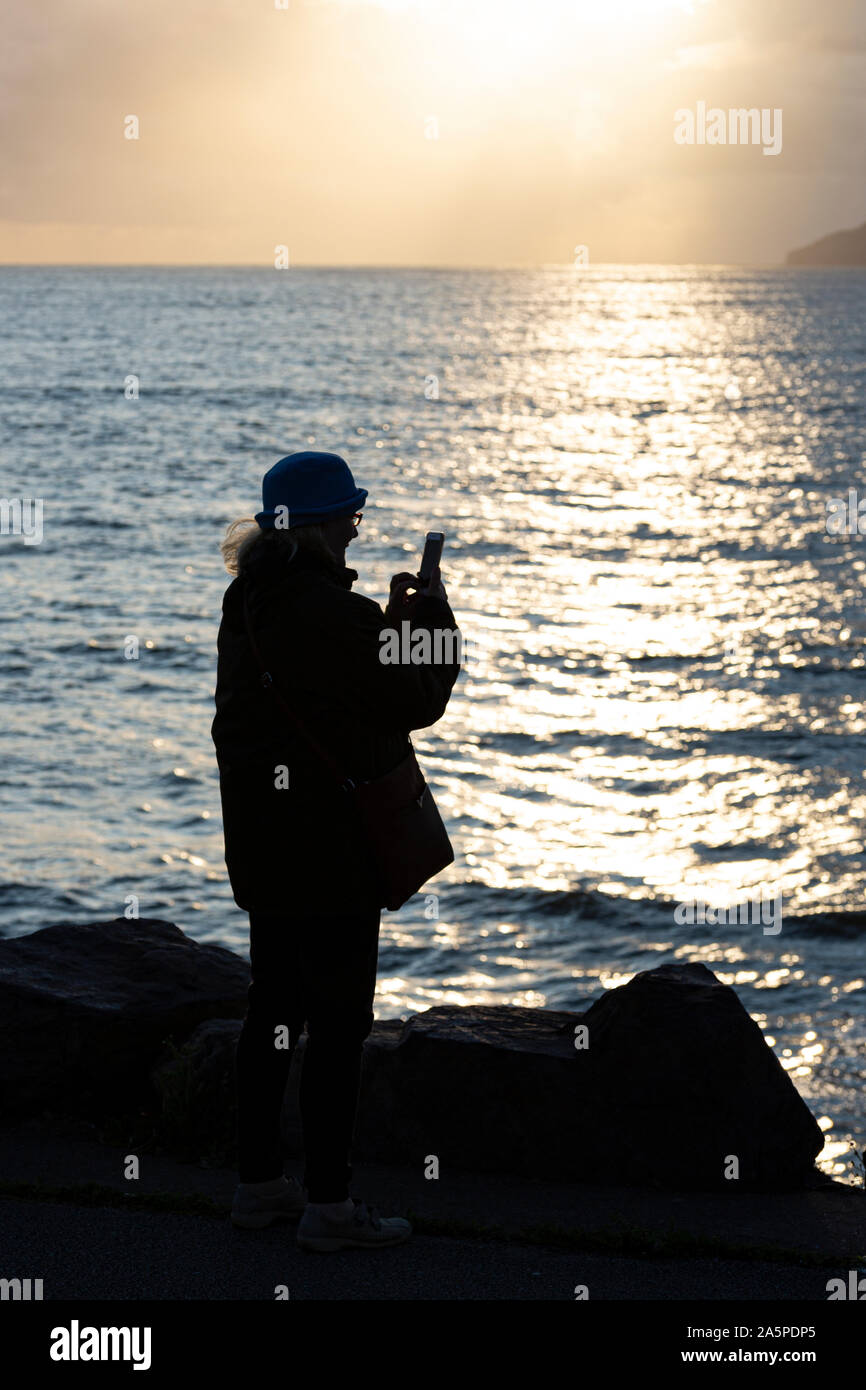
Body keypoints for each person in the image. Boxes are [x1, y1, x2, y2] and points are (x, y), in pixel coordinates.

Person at [211, 450, 460, 1252]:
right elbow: (419, 698)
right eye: (351, 515)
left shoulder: (243, 602)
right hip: (335, 853)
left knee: (271, 1012)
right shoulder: (337, 615)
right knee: (340, 1023)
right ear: (320, 527)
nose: (358, 526)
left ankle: (257, 1188)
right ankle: (329, 1208)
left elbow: (306, 700)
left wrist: (385, 625)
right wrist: (430, 614)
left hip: (263, 848)